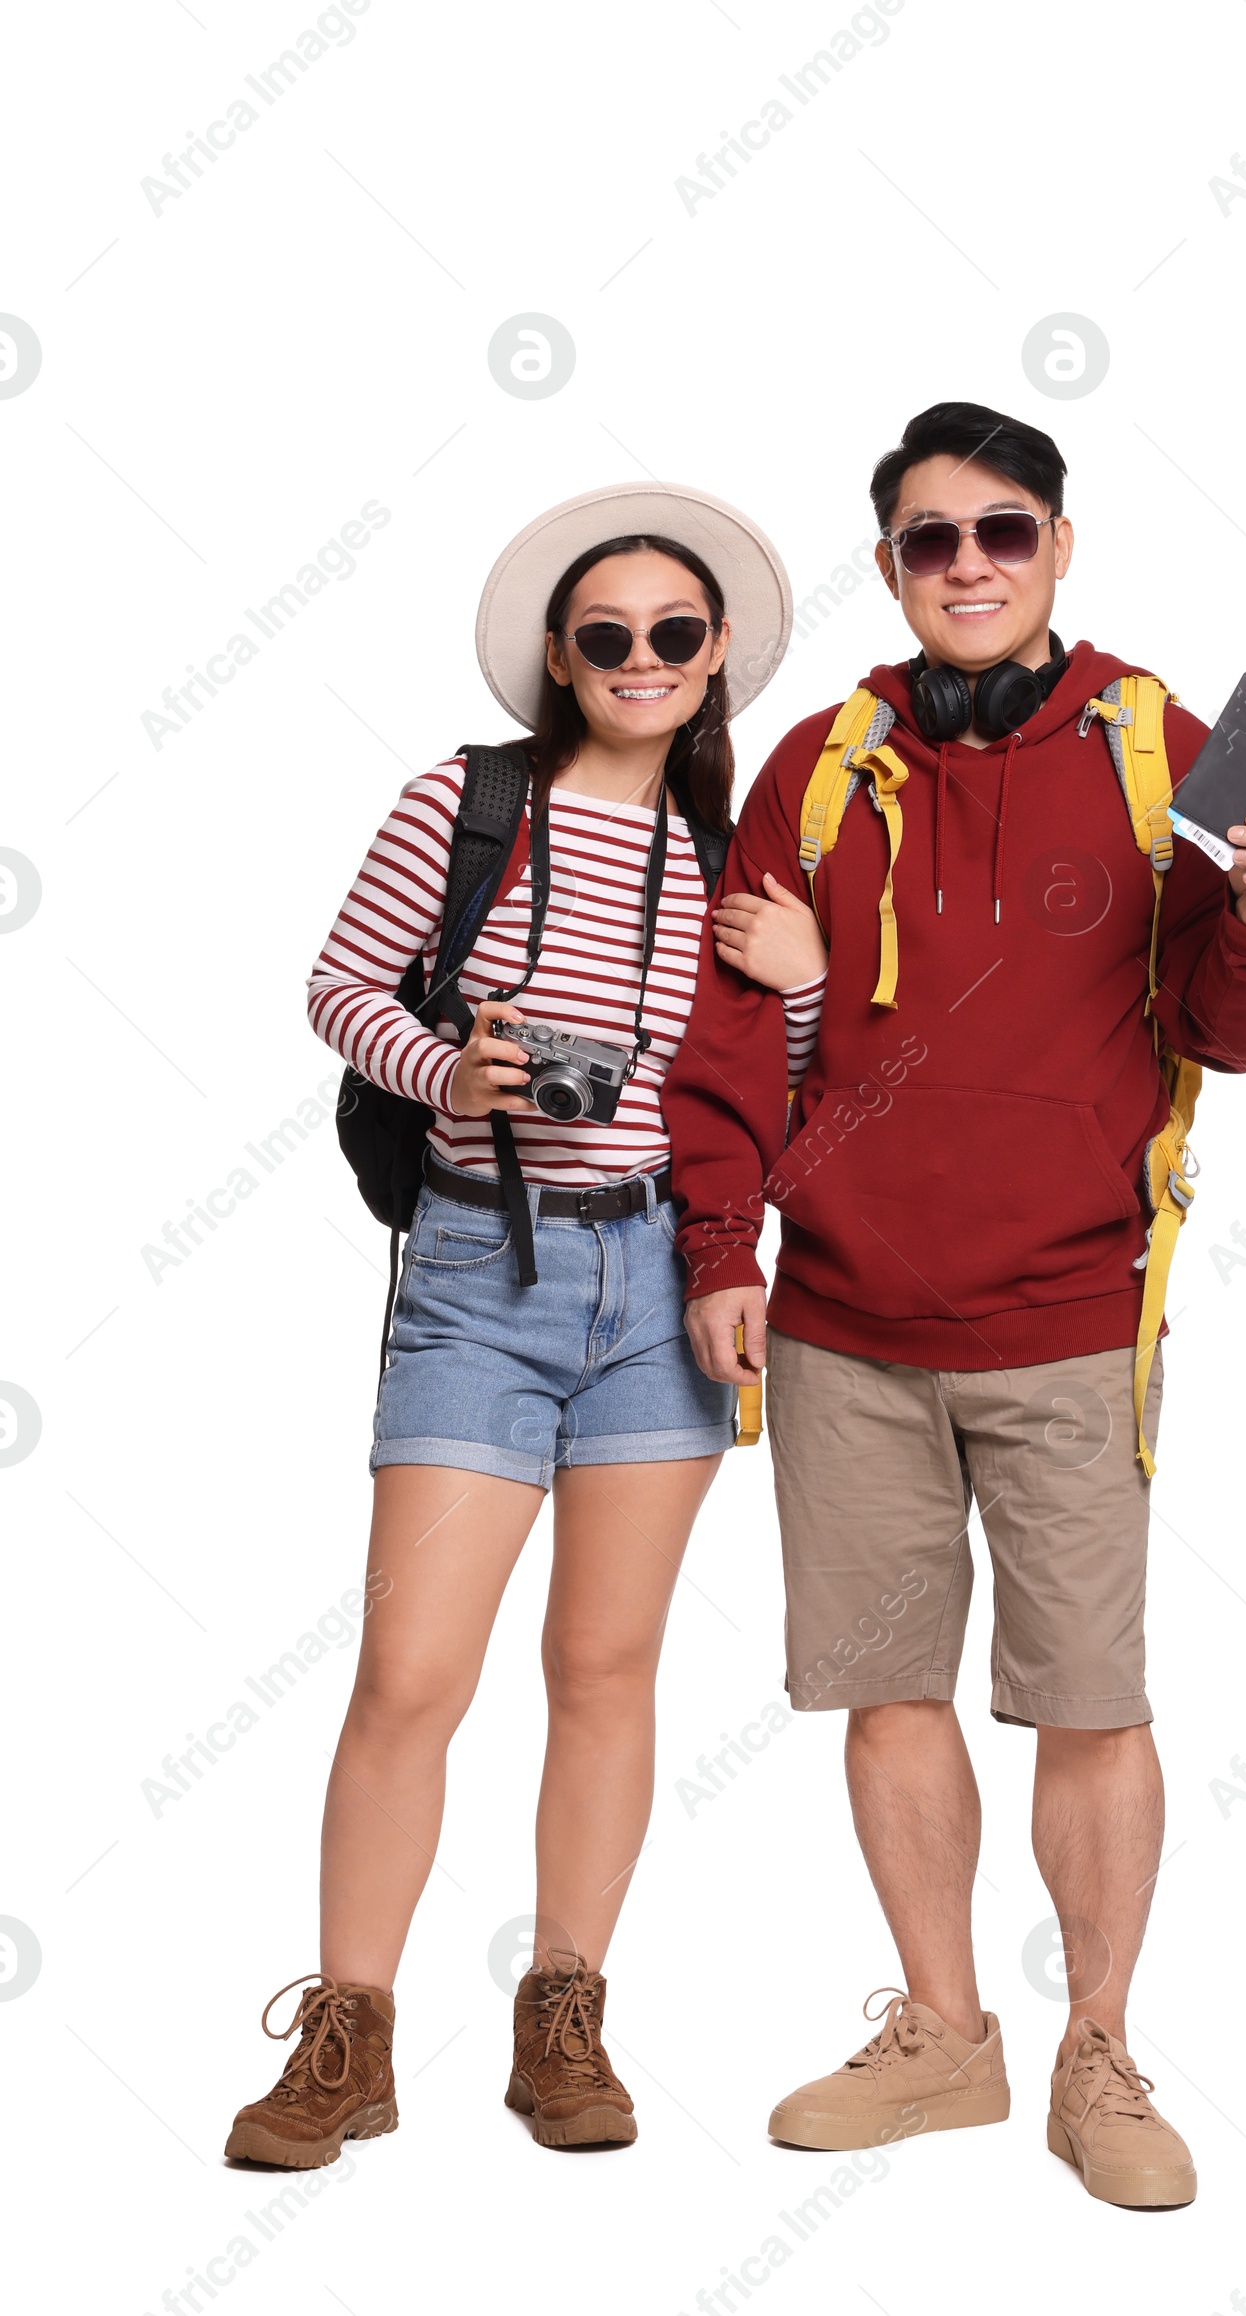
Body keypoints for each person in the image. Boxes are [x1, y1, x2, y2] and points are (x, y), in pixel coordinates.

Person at [663, 404, 1246, 2207]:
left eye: (1002, 532)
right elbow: (730, 1039)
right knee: (887, 1696)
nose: (967, 564)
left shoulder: (1164, 746)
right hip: (842, 1323)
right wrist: (724, 1249)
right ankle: (948, 2037)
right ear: (887, 567)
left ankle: (1098, 2049)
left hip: (1069, 1317)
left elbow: (1232, 1028)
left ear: (1060, 547)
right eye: (930, 538)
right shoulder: (820, 758)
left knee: (1092, 1703)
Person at [224, 484, 821, 2165]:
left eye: (676, 637)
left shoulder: (739, 859)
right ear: (561, 657)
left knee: (604, 1665)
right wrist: (448, 1069)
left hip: (668, 1283)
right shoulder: (464, 803)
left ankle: (565, 2018)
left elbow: (775, 1094)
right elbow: (340, 986)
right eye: (611, 636)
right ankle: (348, 2033)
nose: (645, 660)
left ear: (714, 665)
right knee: (412, 1671)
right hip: (480, 1269)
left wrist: (810, 975)